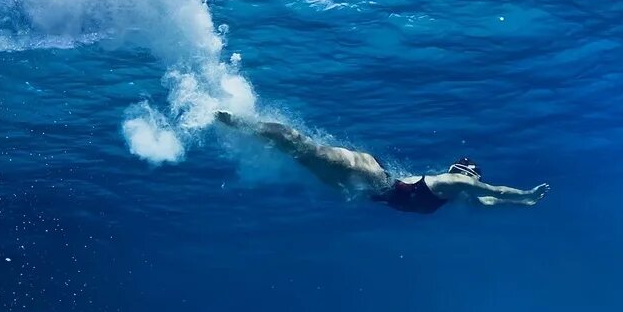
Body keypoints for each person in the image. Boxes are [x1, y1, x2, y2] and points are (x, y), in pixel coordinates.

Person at [216, 111, 549, 213]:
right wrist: (523, 195)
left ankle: (251, 128)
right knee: (307, 149)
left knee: (300, 156)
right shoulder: (454, 182)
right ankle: (244, 122)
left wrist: (525, 203)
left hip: (369, 191)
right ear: (465, 173)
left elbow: (487, 201)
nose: (474, 184)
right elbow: (493, 190)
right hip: (373, 177)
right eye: (474, 178)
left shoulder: (458, 192)